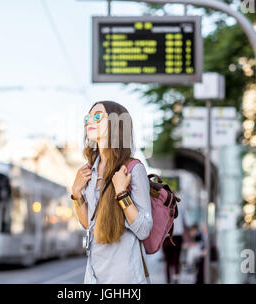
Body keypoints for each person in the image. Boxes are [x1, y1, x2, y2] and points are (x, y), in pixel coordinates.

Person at [71, 101, 153, 284]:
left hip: (125, 277)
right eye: (88, 117)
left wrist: (122, 193)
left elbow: (144, 229)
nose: (89, 121)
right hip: (93, 275)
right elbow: (89, 225)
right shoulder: (89, 171)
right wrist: (77, 193)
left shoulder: (133, 169)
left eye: (98, 116)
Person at [162, 201, 187, 284]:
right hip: (177, 238)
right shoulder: (180, 209)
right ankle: (176, 278)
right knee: (176, 260)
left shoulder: (163, 208)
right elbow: (185, 224)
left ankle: (168, 281)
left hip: (166, 238)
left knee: (167, 262)